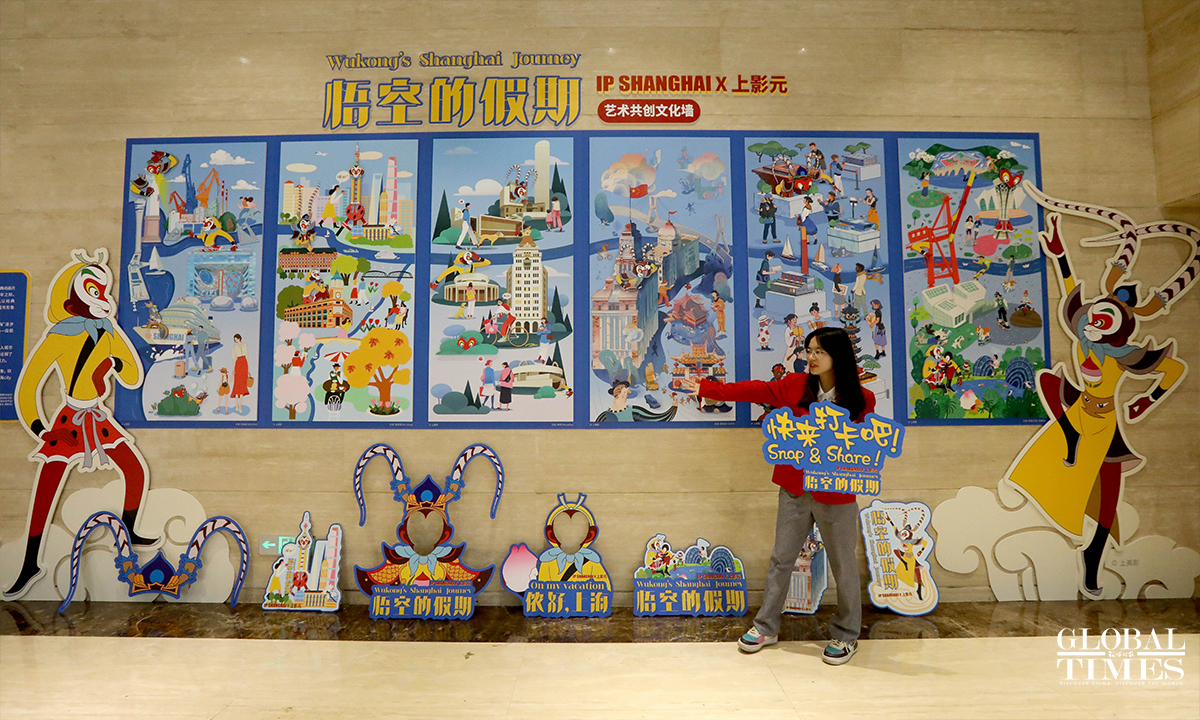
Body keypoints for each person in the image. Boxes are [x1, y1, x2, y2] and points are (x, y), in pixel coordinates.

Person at [682, 327, 875, 665]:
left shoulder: (862, 398)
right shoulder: (795, 385)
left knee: (843, 564)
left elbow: (866, 448)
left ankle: (846, 635)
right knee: (781, 559)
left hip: (837, 493)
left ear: (838, 357)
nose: (810, 357)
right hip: (794, 487)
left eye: (819, 351)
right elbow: (755, 389)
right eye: (808, 350)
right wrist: (708, 388)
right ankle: (766, 627)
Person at [6, 251, 158, 598]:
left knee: (134, 470)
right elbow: (29, 385)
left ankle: (129, 531)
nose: (102, 297)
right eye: (94, 289)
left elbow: (131, 375)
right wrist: (42, 429)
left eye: (103, 289)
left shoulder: (109, 331)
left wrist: (112, 364)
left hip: (97, 417)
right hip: (69, 418)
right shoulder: (60, 335)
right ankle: (29, 562)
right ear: (74, 293)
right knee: (46, 488)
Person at [230, 333, 250, 413]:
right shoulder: (234, 347)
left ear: (239, 338)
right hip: (238, 364)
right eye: (235, 340)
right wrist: (233, 369)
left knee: (242, 385)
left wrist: (248, 369)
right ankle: (237, 405)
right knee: (237, 384)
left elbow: (247, 357)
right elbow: (234, 359)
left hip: (244, 364)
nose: (236, 341)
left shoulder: (245, 345)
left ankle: (240, 406)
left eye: (237, 339)